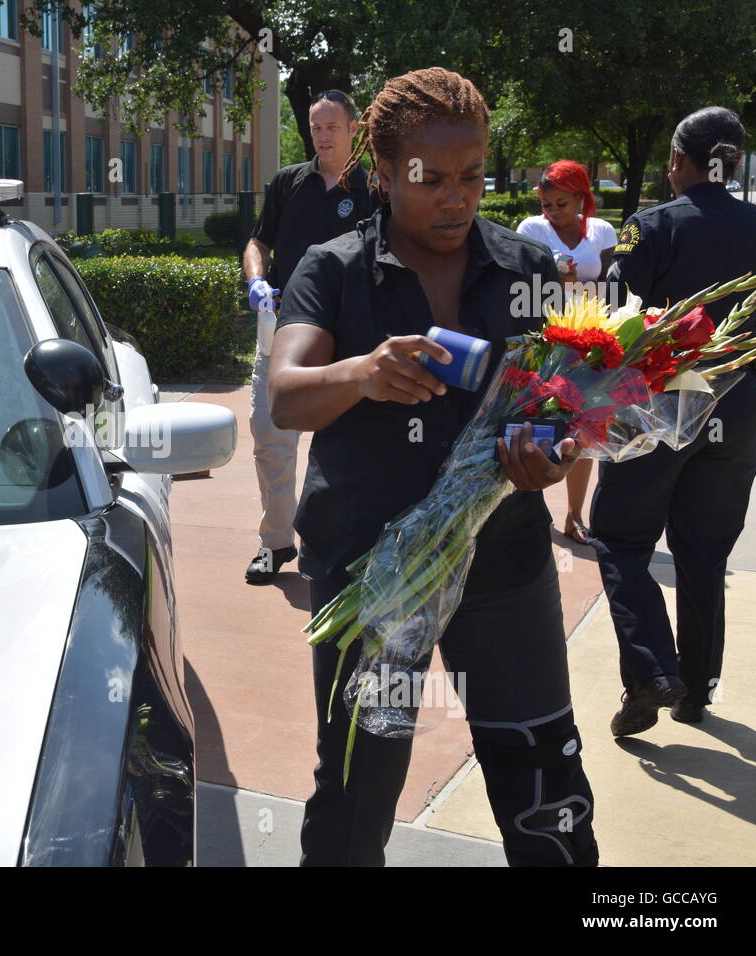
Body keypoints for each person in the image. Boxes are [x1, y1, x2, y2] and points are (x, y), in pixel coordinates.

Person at [270, 67, 598, 866]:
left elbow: (562, 410)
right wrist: (361, 373)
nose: (456, 198)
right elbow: (286, 395)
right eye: (430, 179)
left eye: (474, 176)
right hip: (373, 581)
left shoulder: (525, 272)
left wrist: (549, 460)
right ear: (381, 174)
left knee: (545, 789)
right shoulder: (334, 269)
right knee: (358, 789)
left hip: (504, 572)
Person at [591, 106, 756, 734]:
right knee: (703, 553)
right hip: (740, 402)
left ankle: (648, 673)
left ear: (678, 161)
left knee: (618, 536)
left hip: (663, 402)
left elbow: (609, 314)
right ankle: (695, 689)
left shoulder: (651, 225)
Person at [241, 90, 377, 584]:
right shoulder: (288, 183)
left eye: (331, 127)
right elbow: (259, 241)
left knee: (351, 437)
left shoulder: (373, 185)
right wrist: (257, 279)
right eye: (316, 128)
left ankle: (354, 543)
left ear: (354, 130)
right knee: (269, 431)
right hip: (281, 322)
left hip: (350, 327)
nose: (322, 136)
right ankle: (276, 542)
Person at [516, 160, 618, 544]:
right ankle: (528, 513)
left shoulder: (603, 232)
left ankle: (574, 516)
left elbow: (612, 289)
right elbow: (521, 288)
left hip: (590, 343)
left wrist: (576, 290)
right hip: (545, 339)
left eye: (561, 203)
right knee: (535, 423)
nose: (553, 212)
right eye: (546, 204)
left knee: (585, 429)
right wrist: (559, 285)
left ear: (581, 197)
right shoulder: (531, 229)